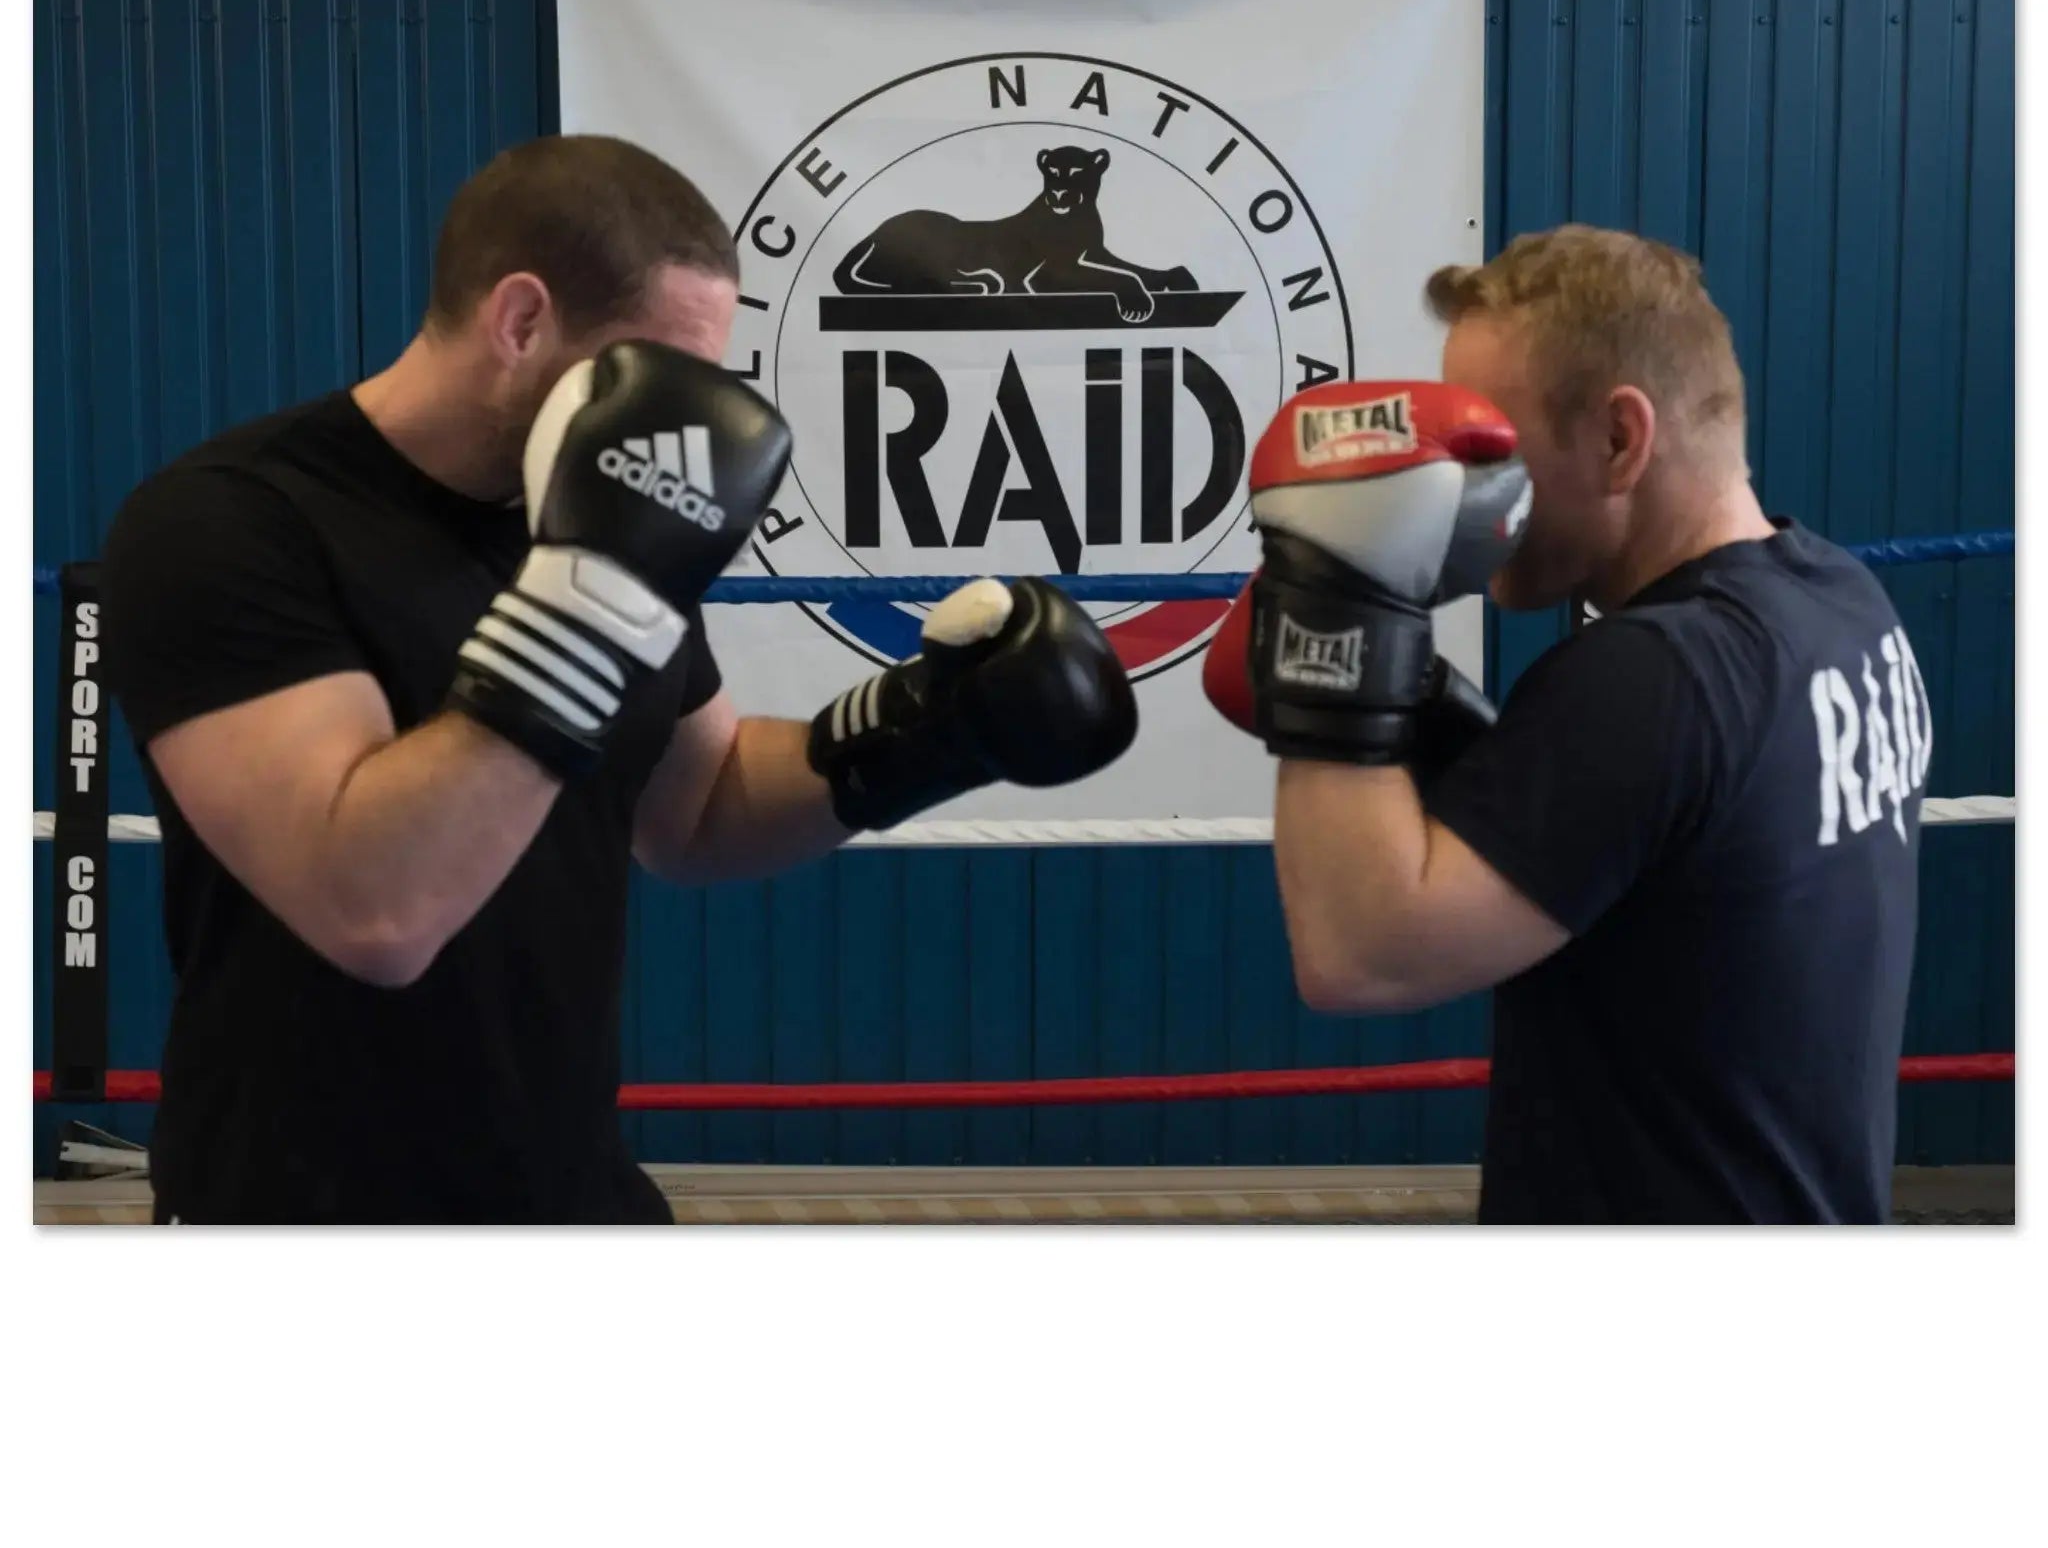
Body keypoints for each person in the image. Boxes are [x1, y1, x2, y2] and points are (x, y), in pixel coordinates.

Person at [101, 134, 1137, 1224]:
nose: (685, 406)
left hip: (567, 1184)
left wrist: (928, 728)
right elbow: (373, 908)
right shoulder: (231, 523)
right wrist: (589, 599)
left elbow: (699, 804)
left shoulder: (591, 515)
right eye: (658, 366)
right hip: (297, 1214)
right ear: (519, 320)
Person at [1204, 225, 1931, 1223]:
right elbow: (1641, 836)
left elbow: (1357, 953)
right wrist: (1408, 702)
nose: (1466, 484)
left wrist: (1331, 605)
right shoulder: (1838, 600)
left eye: (1493, 444)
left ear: (1618, 438)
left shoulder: (1650, 673)